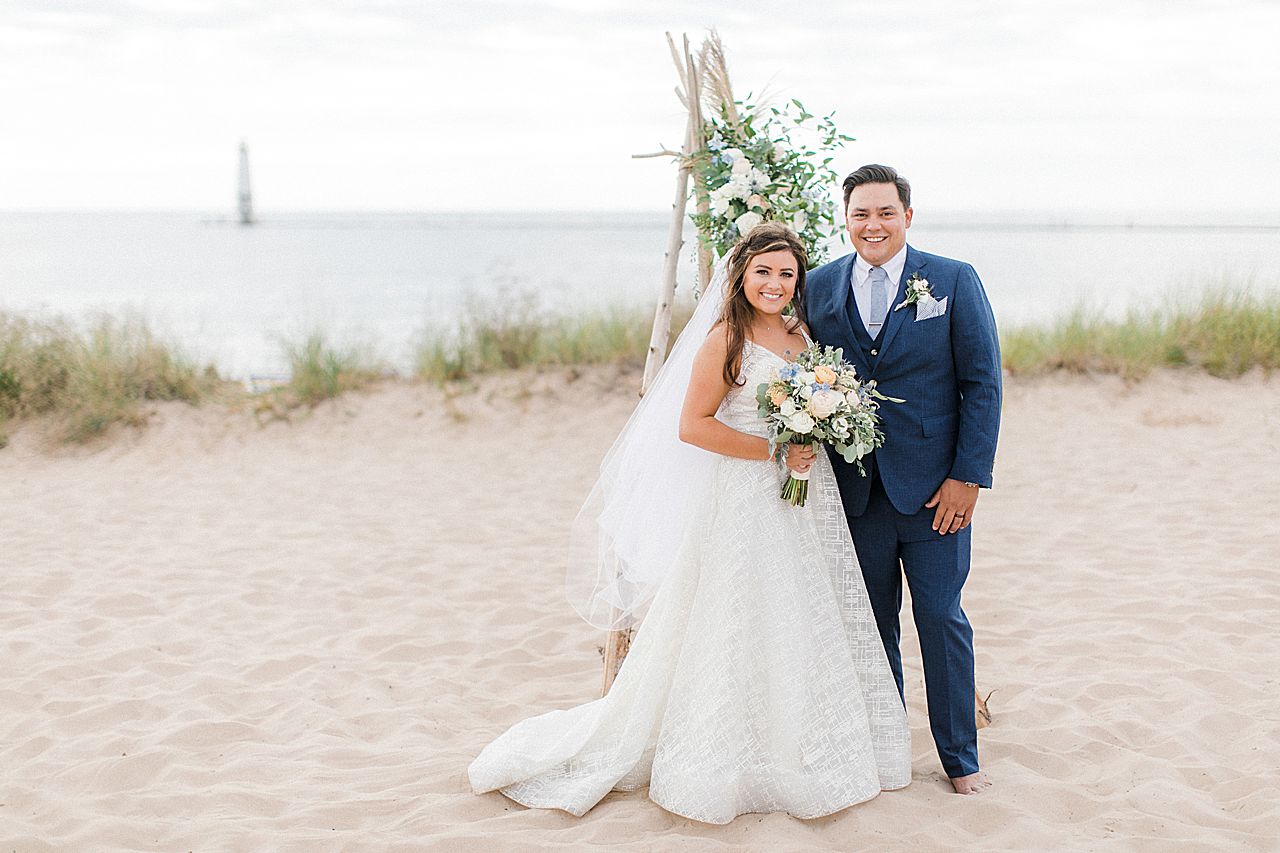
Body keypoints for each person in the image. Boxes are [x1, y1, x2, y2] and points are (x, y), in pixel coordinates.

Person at [468, 223, 911, 824]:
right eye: (764, 272)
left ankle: (800, 739)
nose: (776, 284)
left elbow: (815, 409)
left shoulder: (800, 337)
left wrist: (817, 431)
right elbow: (693, 425)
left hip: (803, 497)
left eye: (787, 274)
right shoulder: (723, 340)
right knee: (735, 610)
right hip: (744, 492)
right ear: (741, 277)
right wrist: (776, 452)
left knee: (798, 608)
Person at [803, 165, 1002, 795]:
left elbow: (982, 383)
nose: (873, 225)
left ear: (907, 216)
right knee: (872, 624)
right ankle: (886, 750)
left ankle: (960, 759)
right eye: (861, 213)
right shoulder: (817, 286)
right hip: (854, 491)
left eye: (885, 212)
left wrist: (967, 477)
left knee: (942, 619)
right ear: (846, 218)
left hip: (936, 493)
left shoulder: (952, 280)